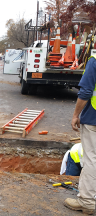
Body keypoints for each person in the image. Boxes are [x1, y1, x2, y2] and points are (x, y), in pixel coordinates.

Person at [66, 55, 96, 215]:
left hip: (94, 119)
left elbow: (86, 91)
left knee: (91, 159)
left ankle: (87, 202)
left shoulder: (95, 60)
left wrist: (76, 115)